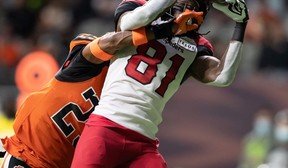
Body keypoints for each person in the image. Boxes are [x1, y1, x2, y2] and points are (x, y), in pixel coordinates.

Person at [71, 0, 250, 168]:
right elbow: (131, 22)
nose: (185, 9)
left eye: (193, 5)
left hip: (144, 141)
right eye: (181, 1)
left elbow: (223, 76)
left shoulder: (198, 45)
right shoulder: (137, 8)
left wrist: (240, 24)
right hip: (106, 126)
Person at [0, 19, 185, 168]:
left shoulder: (129, 92)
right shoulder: (93, 61)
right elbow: (110, 42)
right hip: (28, 152)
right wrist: (161, 31)